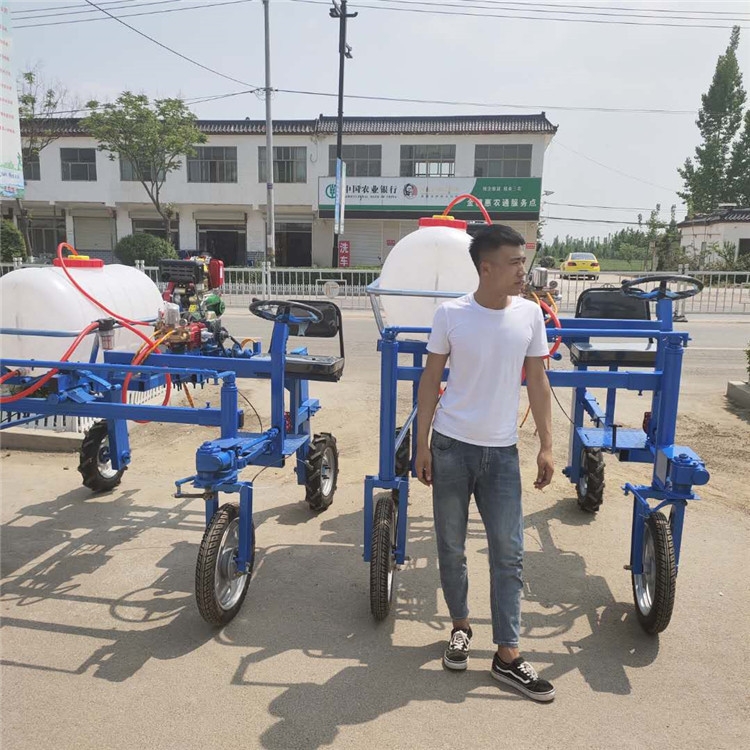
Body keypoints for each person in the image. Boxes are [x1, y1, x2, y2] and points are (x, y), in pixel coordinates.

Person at [415, 224, 556, 703]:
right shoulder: (451, 314)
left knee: (508, 552)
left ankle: (508, 655)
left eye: (524, 261)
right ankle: (459, 628)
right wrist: (422, 444)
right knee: (451, 546)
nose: (523, 270)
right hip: (451, 447)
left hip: (501, 454)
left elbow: (538, 381)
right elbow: (430, 378)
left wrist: (546, 444)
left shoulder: (530, 315)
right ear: (486, 267)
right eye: (515, 263)